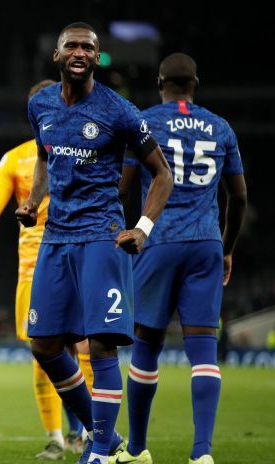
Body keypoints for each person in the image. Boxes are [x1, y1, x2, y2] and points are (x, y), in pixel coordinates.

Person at [15, 22, 173, 464]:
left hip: (102, 237)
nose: (80, 52)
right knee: (43, 345)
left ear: (98, 56)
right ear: (57, 55)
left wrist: (142, 227)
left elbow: (163, 174)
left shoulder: (119, 111)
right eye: (73, 46)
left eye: (88, 47)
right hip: (55, 237)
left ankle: (99, 451)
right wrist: (32, 201)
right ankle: (104, 435)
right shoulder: (40, 105)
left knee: (100, 345)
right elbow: (45, 157)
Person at [110, 53, 247, 464]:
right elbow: (238, 197)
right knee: (203, 350)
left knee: (146, 347)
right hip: (206, 243)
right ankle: (201, 453)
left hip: (158, 240)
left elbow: (123, 186)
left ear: (159, 83)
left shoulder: (145, 121)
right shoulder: (221, 127)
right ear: (196, 84)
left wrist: (122, 232)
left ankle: (136, 449)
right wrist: (227, 247)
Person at [0, 79, 93, 460]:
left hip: (81, 258)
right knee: (44, 350)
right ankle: (56, 437)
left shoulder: (86, 148)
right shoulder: (15, 159)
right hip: (35, 268)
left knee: (85, 346)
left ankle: (88, 431)